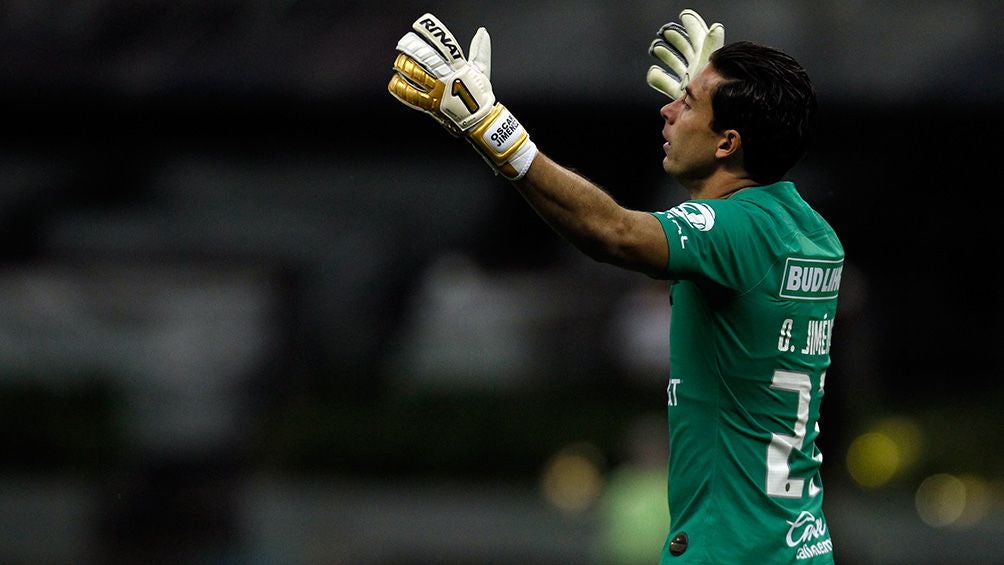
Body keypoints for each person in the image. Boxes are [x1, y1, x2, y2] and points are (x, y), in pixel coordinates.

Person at [388, 8, 841, 564]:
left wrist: (495, 131)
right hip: (798, 548)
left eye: (688, 103)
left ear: (728, 144)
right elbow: (723, 230)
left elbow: (614, 232)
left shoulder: (739, 234)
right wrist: (710, 106)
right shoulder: (813, 235)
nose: (667, 108)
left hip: (730, 552)